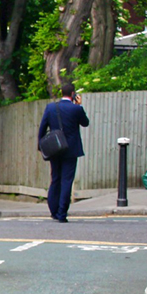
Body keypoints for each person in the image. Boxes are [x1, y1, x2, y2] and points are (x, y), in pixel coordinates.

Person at [38, 83, 89, 223]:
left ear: (62, 93)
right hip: (71, 149)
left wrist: (41, 146)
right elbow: (85, 123)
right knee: (67, 181)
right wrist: (79, 105)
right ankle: (62, 213)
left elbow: (42, 128)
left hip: (54, 148)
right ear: (73, 94)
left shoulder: (51, 108)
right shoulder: (75, 109)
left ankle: (53, 211)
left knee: (55, 178)